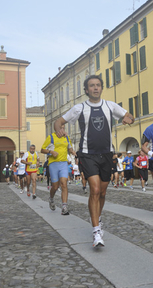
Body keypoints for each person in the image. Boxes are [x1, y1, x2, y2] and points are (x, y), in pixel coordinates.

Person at [54, 75, 134, 247]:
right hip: (87, 155)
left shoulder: (110, 106)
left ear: (101, 88)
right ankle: (96, 230)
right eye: (92, 85)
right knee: (95, 190)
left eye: (98, 85)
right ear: (86, 90)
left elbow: (129, 115)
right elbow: (58, 121)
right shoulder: (79, 108)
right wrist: (59, 130)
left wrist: (129, 118)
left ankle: (96, 216)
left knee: (103, 193)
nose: (95, 88)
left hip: (107, 154)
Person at [41, 127, 76, 215]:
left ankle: (64, 207)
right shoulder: (51, 137)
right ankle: (51, 198)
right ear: (56, 129)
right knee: (55, 187)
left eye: (64, 128)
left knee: (64, 184)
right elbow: (42, 149)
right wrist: (51, 152)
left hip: (63, 163)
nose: (63, 130)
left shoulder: (66, 137)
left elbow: (70, 148)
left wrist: (73, 152)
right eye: (61, 128)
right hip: (53, 164)